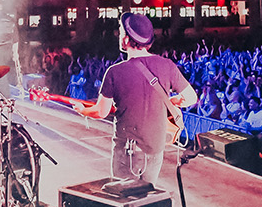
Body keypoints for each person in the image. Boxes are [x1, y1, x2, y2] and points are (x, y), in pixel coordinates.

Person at [82, 12, 196, 187]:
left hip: (128, 151)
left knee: (123, 197)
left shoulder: (115, 71)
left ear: (127, 39)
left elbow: (101, 112)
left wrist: (82, 110)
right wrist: (172, 101)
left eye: (121, 32)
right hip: (155, 149)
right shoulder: (167, 65)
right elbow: (191, 98)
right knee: (148, 195)